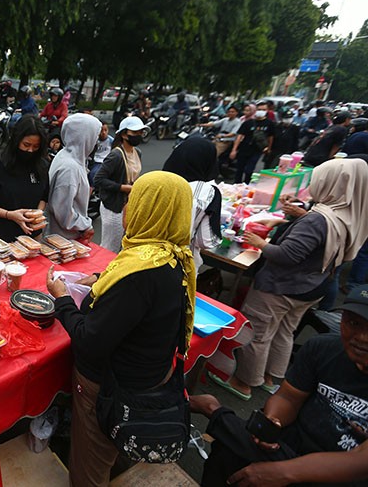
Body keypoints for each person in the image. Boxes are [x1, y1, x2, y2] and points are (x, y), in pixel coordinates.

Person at [46, 170, 196, 486]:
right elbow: (144, 301)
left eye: (132, 201)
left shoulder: (139, 273)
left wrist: (62, 301)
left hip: (112, 388)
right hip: (149, 375)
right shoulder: (170, 255)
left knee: (90, 464)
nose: (126, 208)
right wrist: (102, 281)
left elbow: (89, 341)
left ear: (148, 210)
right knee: (115, 444)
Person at [212, 158, 368, 400]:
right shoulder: (351, 213)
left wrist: (260, 243)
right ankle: (270, 377)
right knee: (284, 331)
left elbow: (286, 255)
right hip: (313, 285)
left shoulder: (318, 219)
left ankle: (243, 382)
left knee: (259, 332)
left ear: (332, 184)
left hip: (282, 286)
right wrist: (286, 221)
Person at [190, 284, 368, 486]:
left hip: (345, 474)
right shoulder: (323, 348)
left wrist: (284, 472)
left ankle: (214, 410)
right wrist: (274, 419)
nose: (362, 337)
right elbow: (288, 397)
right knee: (230, 450)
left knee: (233, 436)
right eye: (354, 323)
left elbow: (360, 460)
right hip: (289, 446)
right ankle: (215, 412)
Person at [0, 115, 49, 241]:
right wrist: (10, 215)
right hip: (0, 238)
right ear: (16, 140)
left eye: (35, 147)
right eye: (26, 145)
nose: (30, 150)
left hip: (32, 237)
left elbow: (43, 197)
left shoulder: (42, 165)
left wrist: (36, 215)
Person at [163, 137, 222, 271]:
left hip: (139, 257)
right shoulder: (209, 193)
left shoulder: (155, 180)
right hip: (178, 265)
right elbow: (206, 241)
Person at [94, 116, 146, 252]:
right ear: (124, 134)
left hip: (128, 205)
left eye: (141, 132)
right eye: (135, 133)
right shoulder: (116, 156)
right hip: (113, 206)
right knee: (110, 246)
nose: (139, 136)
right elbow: (98, 179)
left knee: (122, 244)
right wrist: (123, 187)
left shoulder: (137, 153)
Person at [46, 113, 100, 242]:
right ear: (85, 137)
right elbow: (63, 211)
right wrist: (85, 225)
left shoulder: (66, 155)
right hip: (63, 240)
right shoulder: (70, 168)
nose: (96, 141)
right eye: (95, 136)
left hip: (63, 236)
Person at [230, 101, 275, 183]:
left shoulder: (270, 124)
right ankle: (236, 185)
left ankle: (246, 184)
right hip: (244, 148)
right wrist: (234, 149)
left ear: (267, 110)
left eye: (264, 109)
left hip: (257, 150)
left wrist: (269, 148)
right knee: (239, 169)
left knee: (249, 170)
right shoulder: (248, 123)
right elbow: (239, 136)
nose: (261, 111)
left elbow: (270, 137)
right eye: (259, 109)